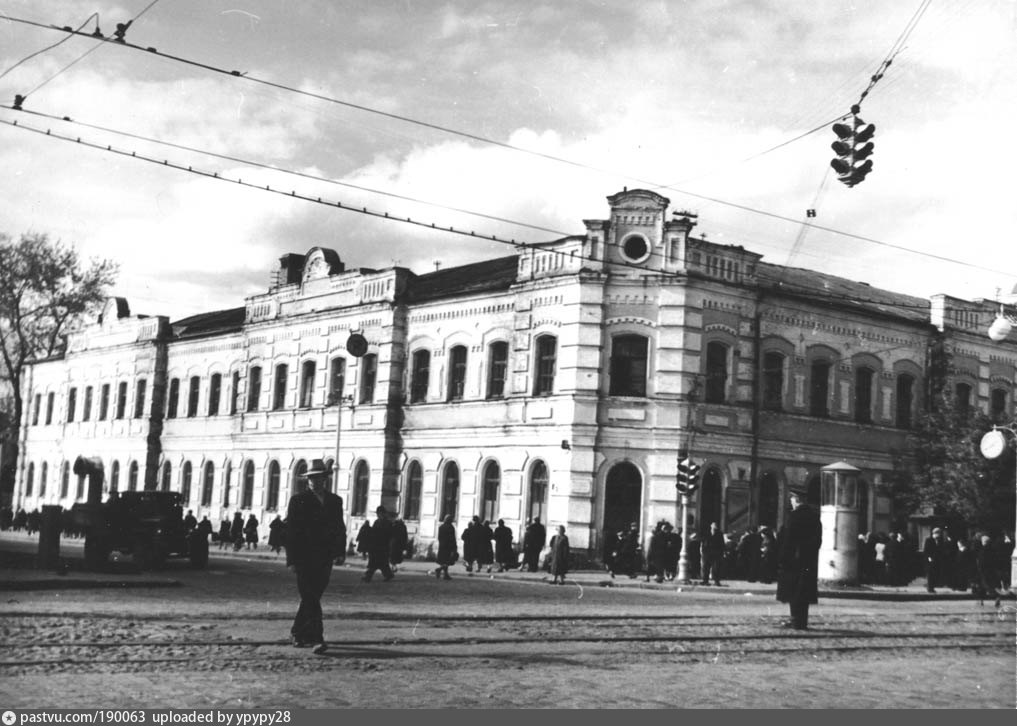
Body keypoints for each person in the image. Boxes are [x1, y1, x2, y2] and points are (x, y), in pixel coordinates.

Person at [285, 459, 344, 655]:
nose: (313, 481)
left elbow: (339, 528)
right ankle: (317, 638)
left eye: (317, 478)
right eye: (310, 478)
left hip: (324, 558)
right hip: (303, 559)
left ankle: (297, 632)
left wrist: (340, 552)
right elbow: (291, 532)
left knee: (312, 597)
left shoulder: (335, 501)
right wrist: (291, 559)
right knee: (310, 597)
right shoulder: (298, 500)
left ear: (324, 479)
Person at [776, 491, 822, 630]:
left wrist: (783, 558)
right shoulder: (815, 517)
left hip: (793, 561)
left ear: (797, 500)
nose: (791, 502)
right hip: (809, 561)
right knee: (804, 592)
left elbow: (789, 540)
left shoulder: (794, 516)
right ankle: (802, 621)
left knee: (793, 592)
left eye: (792, 499)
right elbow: (818, 541)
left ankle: (795, 620)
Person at [363, 506, 394, 582]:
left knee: (379, 563)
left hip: (383, 545)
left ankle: (369, 576)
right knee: (378, 563)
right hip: (376, 545)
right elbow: (373, 532)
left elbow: (388, 534)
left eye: (379, 513)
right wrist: (368, 528)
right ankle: (388, 575)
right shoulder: (377, 522)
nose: (378, 515)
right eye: (377, 513)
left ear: (383, 513)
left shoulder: (387, 523)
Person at [923, 527, 949, 593]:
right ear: (934, 534)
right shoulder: (929, 540)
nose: (938, 535)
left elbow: (942, 549)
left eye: (939, 534)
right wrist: (929, 557)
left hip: (937, 560)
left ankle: (932, 587)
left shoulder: (940, 540)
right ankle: (930, 588)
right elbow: (926, 550)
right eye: (937, 534)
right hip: (930, 560)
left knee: (935, 574)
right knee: (930, 574)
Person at [700, 522, 725, 586]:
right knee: (705, 567)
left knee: (716, 568)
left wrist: (721, 553)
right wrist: (703, 551)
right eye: (713, 525)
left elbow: (722, 544)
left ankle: (716, 581)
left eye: (716, 526)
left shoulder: (719, 534)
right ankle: (705, 581)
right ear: (711, 526)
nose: (714, 527)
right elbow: (703, 542)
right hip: (707, 553)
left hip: (716, 553)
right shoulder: (706, 533)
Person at [435, 514, 457, 580]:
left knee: (443, 561)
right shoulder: (450, 527)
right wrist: (454, 547)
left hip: (442, 546)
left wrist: (441, 543)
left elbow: (439, 537)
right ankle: (439, 570)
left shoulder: (441, 527)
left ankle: (445, 574)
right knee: (447, 561)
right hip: (448, 547)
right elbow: (452, 538)